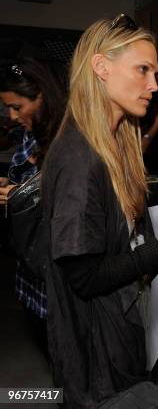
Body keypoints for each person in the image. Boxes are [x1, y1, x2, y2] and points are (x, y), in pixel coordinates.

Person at [41, 15, 158, 407]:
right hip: (94, 351)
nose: (155, 85)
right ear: (101, 67)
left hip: (118, 325)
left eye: (155, 73)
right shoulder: (78, 158)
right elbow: (86, 278)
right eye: (143, 70)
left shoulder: (110, 138)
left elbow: (121, 196)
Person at [0, 58, 66, 349]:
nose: (12, 116)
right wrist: (9, 188)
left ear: (40, 96)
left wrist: (20, 194)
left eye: (17, 107)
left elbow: (72, 199)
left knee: (65, 366)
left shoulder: (67, 136)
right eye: (8, 109)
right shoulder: (30, 132)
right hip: (30, 269)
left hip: (55, 271)